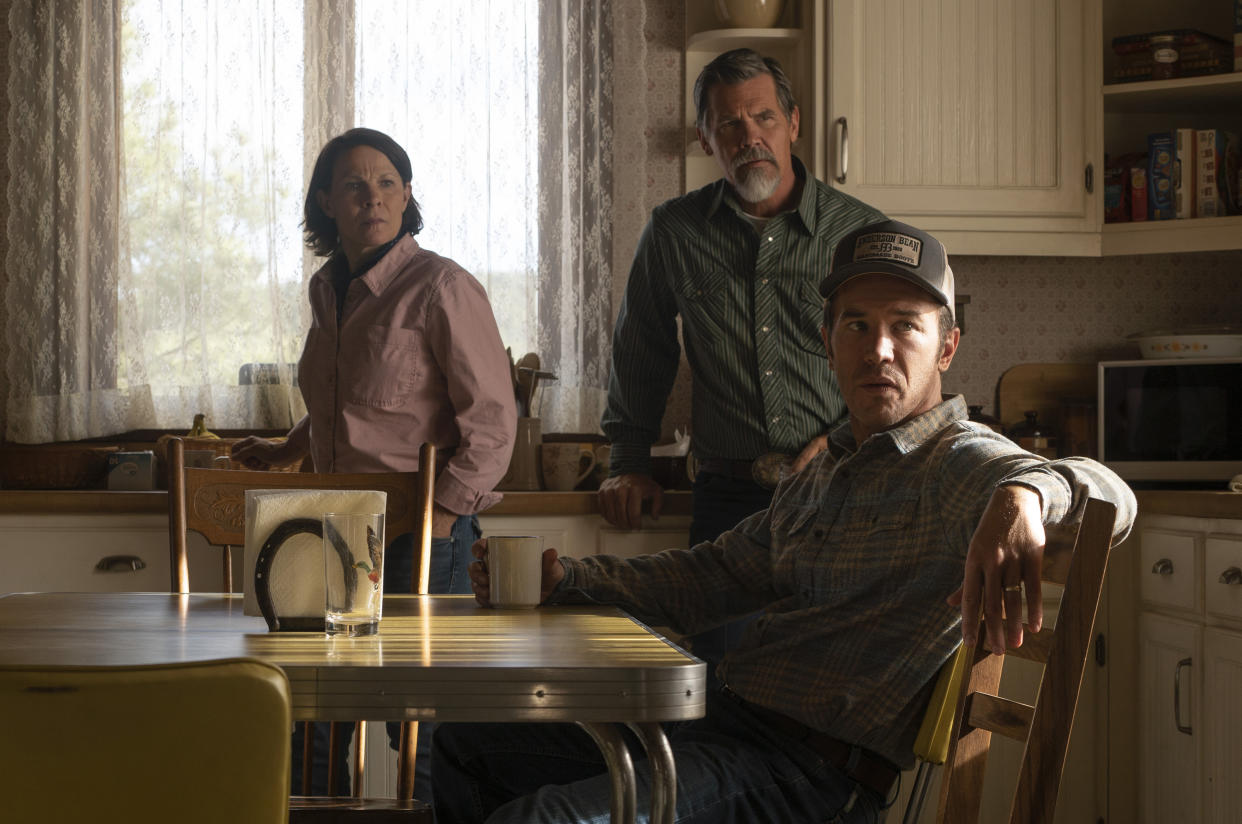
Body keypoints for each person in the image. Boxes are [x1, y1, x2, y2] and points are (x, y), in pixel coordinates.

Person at [432, 219, 1137, 824]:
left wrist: (1025, 497)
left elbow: (1114, 494)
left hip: (810, 778)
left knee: (546, 819)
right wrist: (570, 579)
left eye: (905, 328)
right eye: (857, 325)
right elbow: (711, 575)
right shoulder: (830, 466)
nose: (879, 349)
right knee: (462, 742)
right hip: (725, 727)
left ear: (946, 349)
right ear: (827, 341)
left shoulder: (960, 463)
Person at [231, 127, 516, 799]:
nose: (373, 196)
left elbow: (494, 422)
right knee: (315, 722)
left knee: (418, 727)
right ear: (326, 201)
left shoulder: (441, 286)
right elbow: (351, 400)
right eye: (354, 184)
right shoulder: (327, 290)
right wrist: (291, 447)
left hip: (423, 538)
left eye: (388, 181)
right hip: (327, 531)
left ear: (408, 195)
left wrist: (442, 518)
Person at [598, 48, 884, 673]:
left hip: (843, 493)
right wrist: (627, 463)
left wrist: (838, 442)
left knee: (835, 681)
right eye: (730, 123)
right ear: (706, 137)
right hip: (728, 499)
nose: (750, 137)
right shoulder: (674, 231)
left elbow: (896, 369)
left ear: (794, 124)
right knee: (726, 687)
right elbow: (642, 343)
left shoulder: (860, 236)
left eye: (764, 118)